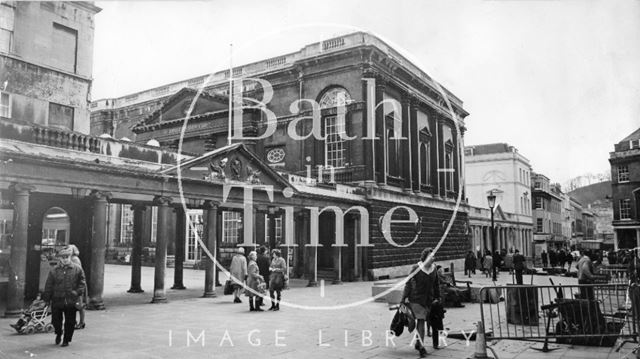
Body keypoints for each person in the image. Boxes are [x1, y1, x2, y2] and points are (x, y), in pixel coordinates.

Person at [42, 247, 86, 347]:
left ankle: (66, 339)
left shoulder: (77, 269)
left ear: (70, 257)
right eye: (63, 257)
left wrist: (76, 292)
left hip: (71, 300)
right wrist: (46, 299)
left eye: (67, 257)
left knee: (70, 322)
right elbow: (49, 285)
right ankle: (58, 332)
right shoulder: (54, 270)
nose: (65, 259)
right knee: (56, 321)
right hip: (57, 299)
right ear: (60, 258)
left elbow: (82, 283)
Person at [401, 248, 440, 358]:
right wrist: (403, 298)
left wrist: (437, 297)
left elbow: (436, 284)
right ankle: (421, 347)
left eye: (433, 256)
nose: (434, 257)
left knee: (420, 322)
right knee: (421, 321)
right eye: (431, 256)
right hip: (416, 299)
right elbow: (408, 283)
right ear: (425, 257)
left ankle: (418, 343)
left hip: (428, 300)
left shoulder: (434, 269)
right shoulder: (416, 268)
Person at [67, 245, 86, 329]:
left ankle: (81, 322)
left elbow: (77, 272)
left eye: (70, 249)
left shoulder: (74, 259)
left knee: (79, 305)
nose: (68, 250)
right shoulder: (70, 258)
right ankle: (74, 321)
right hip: (72, 284)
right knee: (74, 304)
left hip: (77, 284)